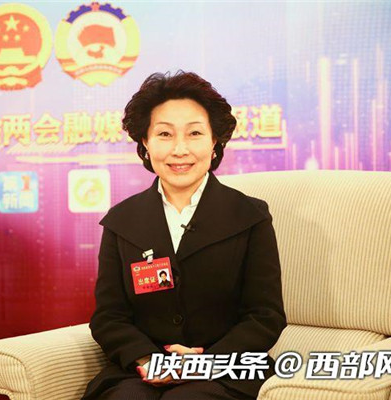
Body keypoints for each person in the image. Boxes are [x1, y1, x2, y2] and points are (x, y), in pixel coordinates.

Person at [82, 71, 286, 400]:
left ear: (214, 142)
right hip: (140, 372)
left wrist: (204, 364)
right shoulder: (121, 221)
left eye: (194, 133)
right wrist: (147, 359)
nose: (179, 149)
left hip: (227, 371)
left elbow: (265, 316)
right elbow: (109, 317)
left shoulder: (250, 216)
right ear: (145, 143)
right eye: (164, 134)